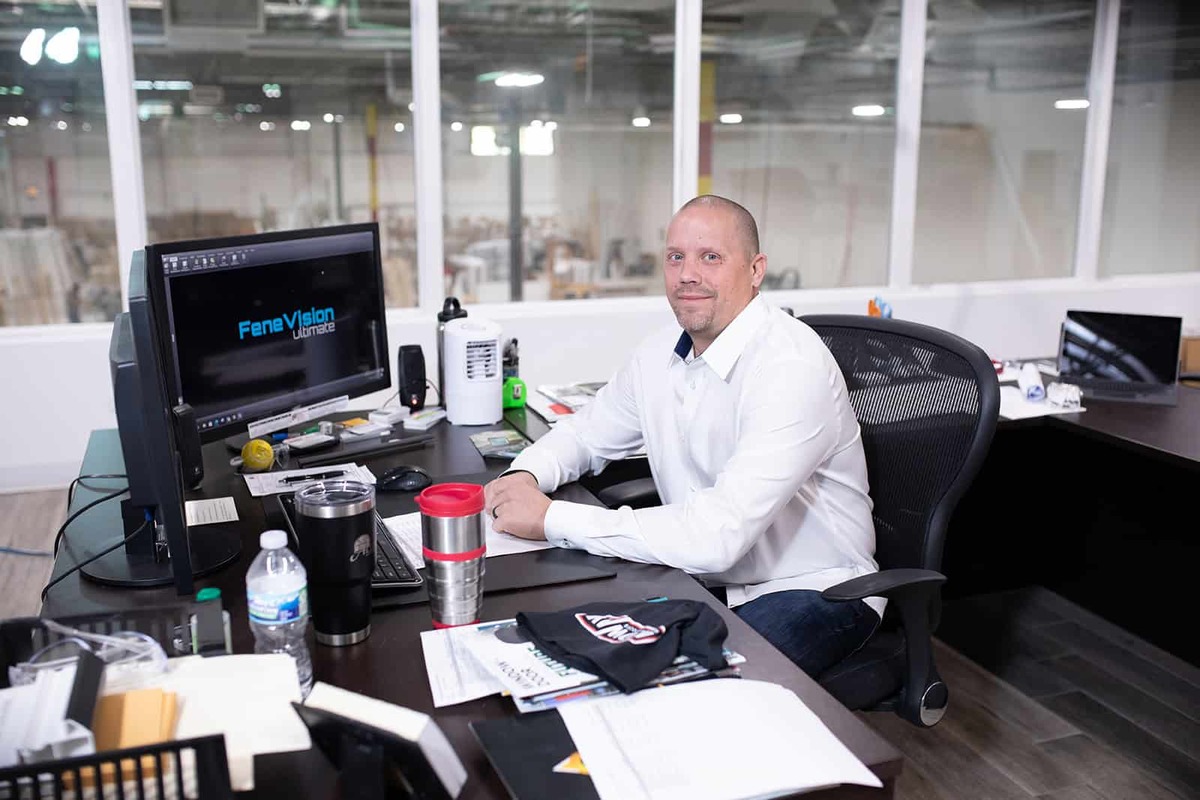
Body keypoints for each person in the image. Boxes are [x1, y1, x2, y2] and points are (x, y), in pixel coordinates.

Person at [484, 194, 882, 678]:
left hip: (814, 590)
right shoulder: (658, 355)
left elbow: (717, 536)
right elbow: (587, 434)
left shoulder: (789, 367)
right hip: (703, 576)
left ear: (756, 270)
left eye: (710, 257)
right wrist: (527, 474)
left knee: (687, 692)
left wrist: (551, 518)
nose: (688, 274)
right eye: (676, 258)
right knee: (576, 650)